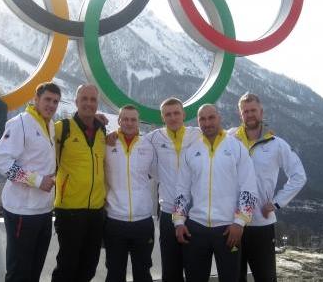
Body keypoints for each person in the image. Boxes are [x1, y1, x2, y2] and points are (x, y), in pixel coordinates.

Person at [173, 104, 258, 282]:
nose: (207, 122)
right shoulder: (191, 150)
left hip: (228, 229)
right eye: (202, 119)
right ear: (198, 122)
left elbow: (248, 188)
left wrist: (240, 222)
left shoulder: (237, 148)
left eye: (211, 117)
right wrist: (179, 221)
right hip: (195, 228)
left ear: (219, 118)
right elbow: (181, 188)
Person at [229, 93, 306, 282]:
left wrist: (277, 203)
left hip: (261, 224)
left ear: (261, 112)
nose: (250, 114)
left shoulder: (276, 144)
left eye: (253, 110)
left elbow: (299, 176)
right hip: (232, 223)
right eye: (245, 111)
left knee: (265, 277)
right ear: (241, 115)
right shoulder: (229, 139)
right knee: (233, 277)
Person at [0, 82, 61, 282]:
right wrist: (37, 180)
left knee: (34, 270)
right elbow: (2, 161)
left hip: (43, 210)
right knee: (19, 272)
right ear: (36, 99)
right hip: (21, 210)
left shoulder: (49, 124)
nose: (51, 105)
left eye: (55, 101)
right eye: (47, 99)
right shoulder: (20, 123)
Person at [52, 84, 107, 282]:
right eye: (84, 99)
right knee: (67, 267)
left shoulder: (102, 131)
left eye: (93, 100)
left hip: (96, 211)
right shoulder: (62, 128)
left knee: (89, 267)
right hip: (69, 210)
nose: (89, 103)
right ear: (76, 102)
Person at [146, 97, 199, 282]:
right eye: (168, 114)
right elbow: (130, 141)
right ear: (163, 117)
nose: (173, 117)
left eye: (176, 113)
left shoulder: (198, 134)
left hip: (195, 213)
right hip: (168, 212)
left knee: (195, 269)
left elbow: (227, 137)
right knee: (170, 270)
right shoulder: (153, 137)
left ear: (183, 114)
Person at [104, 105, 156, 282]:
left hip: (143, 221)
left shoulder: (148, 145)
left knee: (143, 272)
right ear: (118, 121)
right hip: (115, 220)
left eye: (133, 119)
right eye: (125, 119)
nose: (129, 123)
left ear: (138, 122)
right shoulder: (106, 143)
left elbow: (155, 172)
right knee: (114, 272)